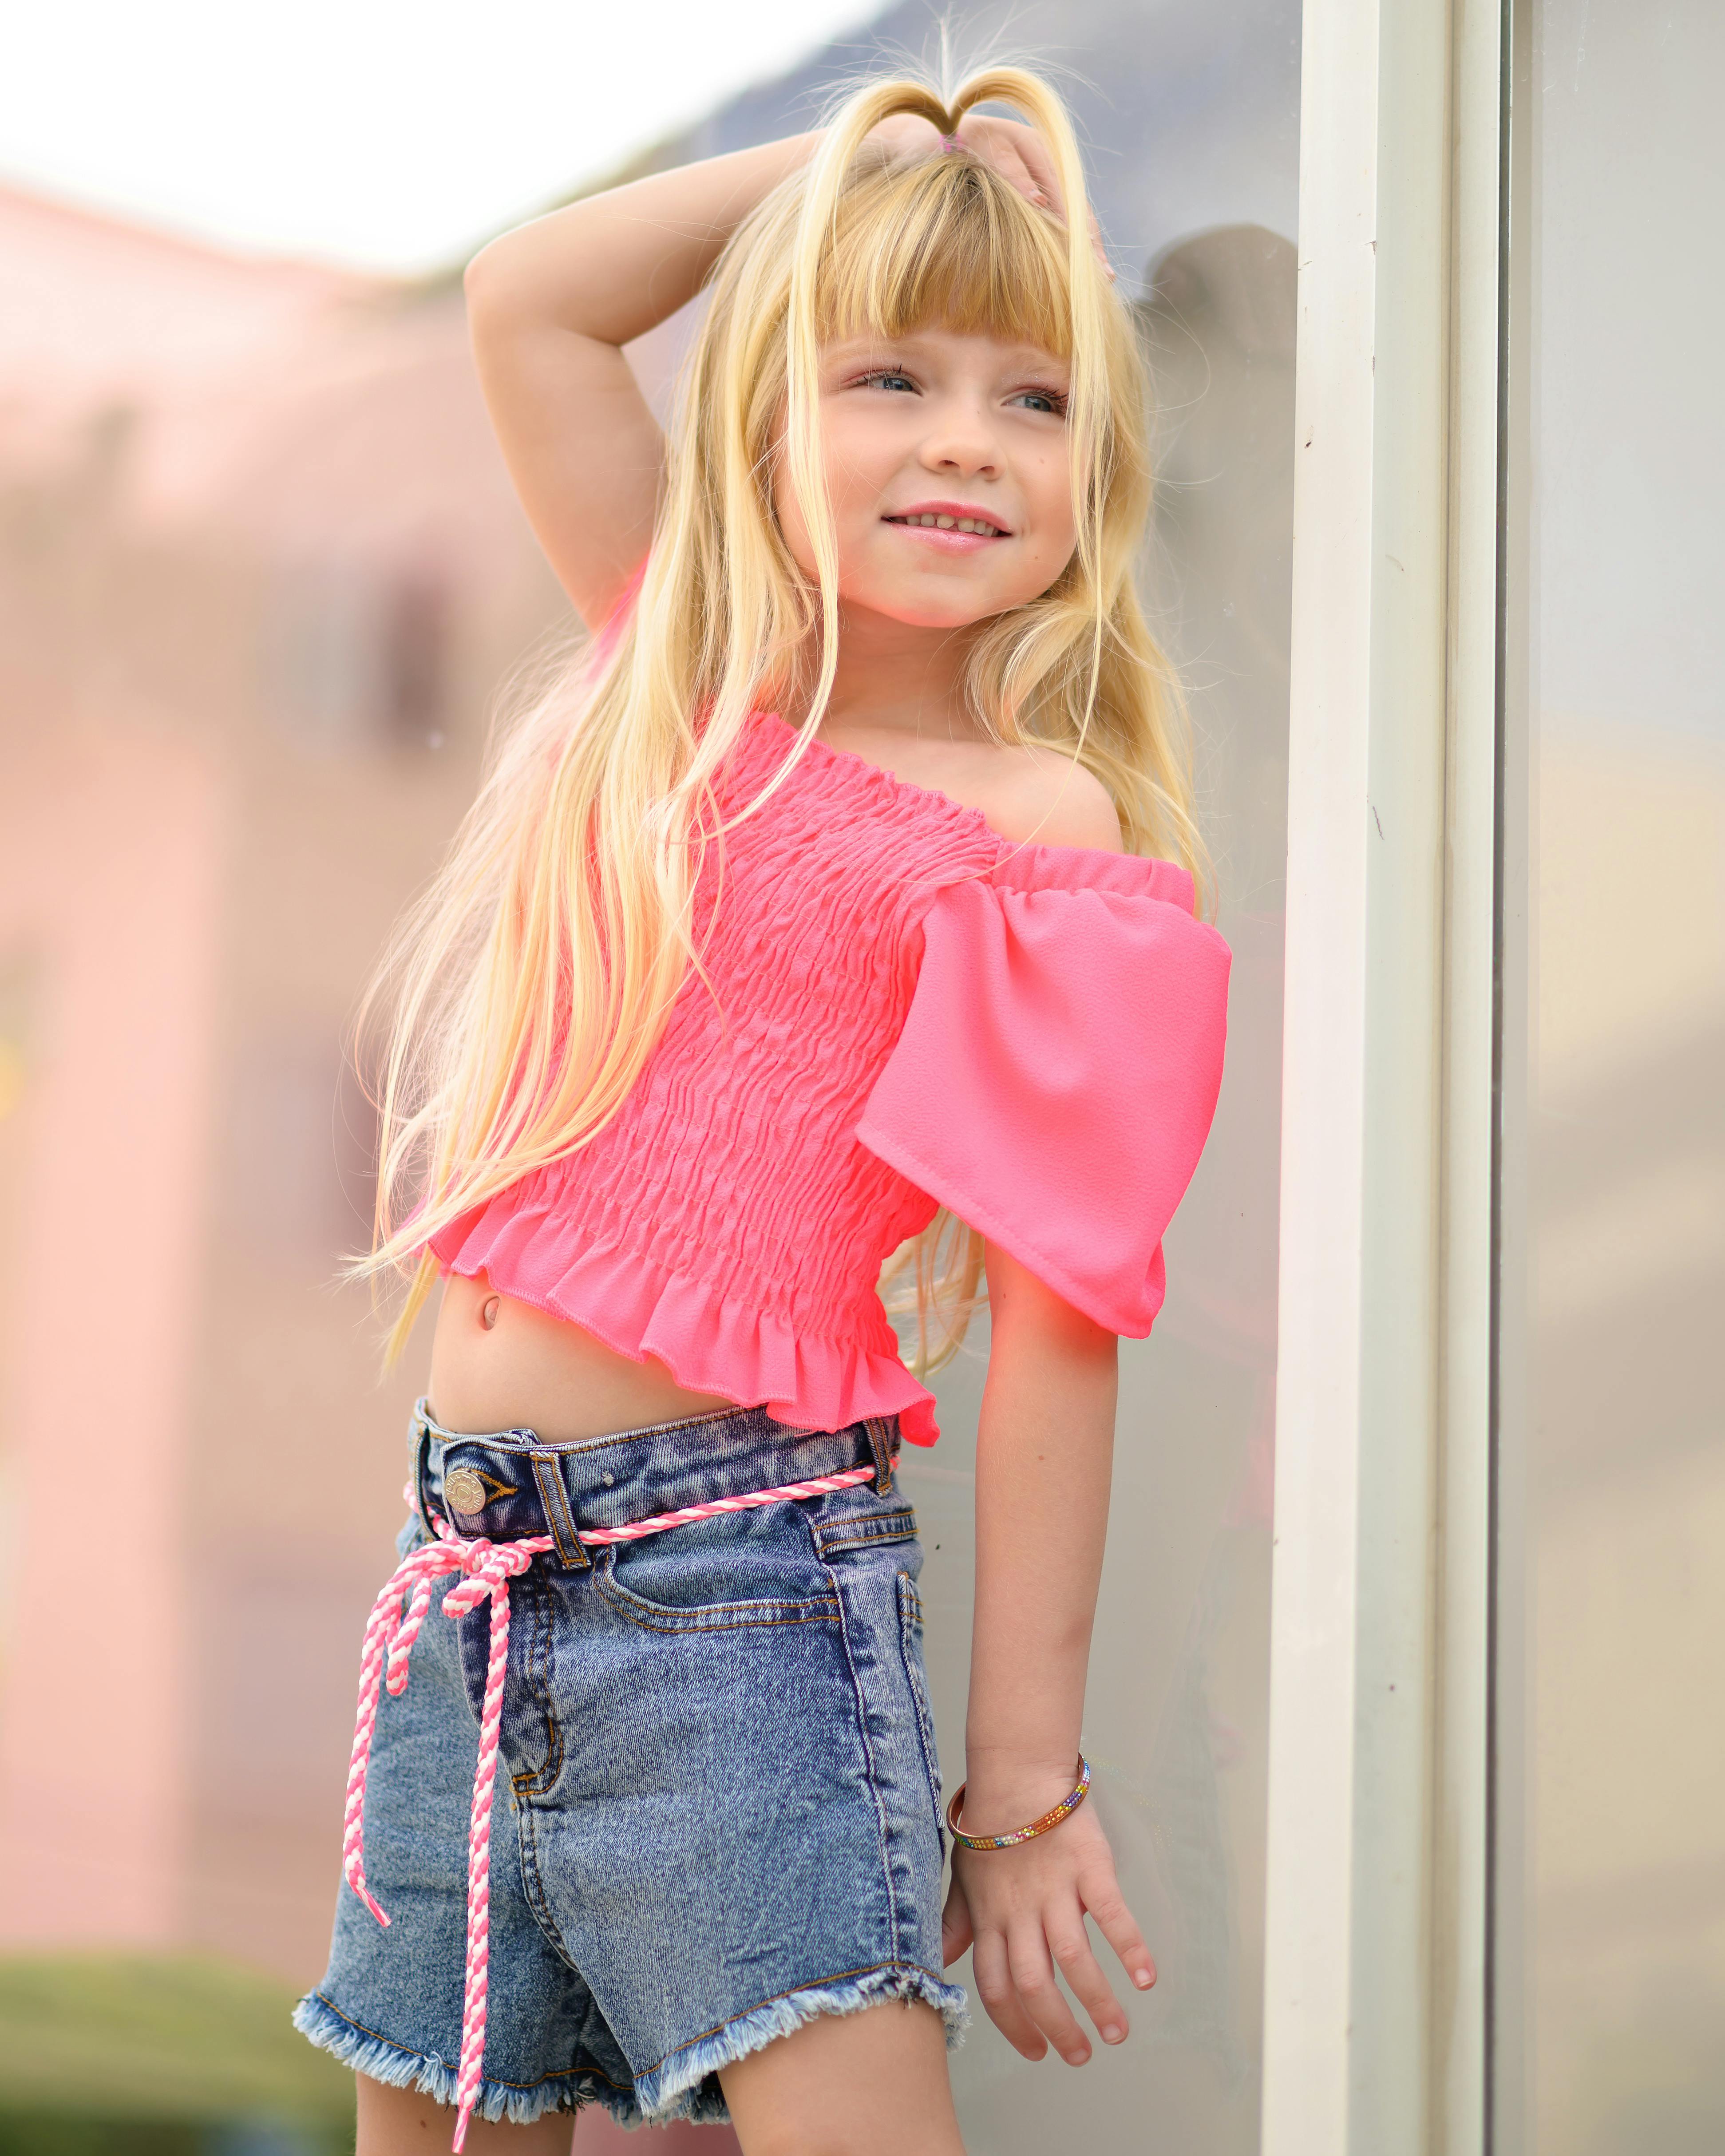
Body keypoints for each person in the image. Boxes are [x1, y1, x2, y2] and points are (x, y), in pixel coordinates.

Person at [294, 63, 1232, 2156]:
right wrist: (870, 167)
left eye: (1039, 398)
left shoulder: (1035, 829)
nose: (969, 440)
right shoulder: (685, 673)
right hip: (468, 1583)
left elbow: (1065, 1323)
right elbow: (536, 297)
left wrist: (1024, 1789)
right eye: (889, 374)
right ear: (770, 425)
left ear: (1100, 468)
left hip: (743, 1605)